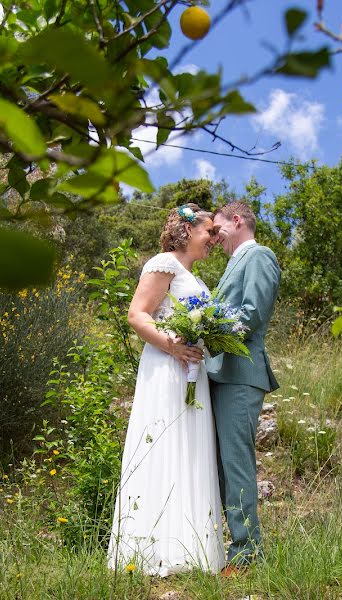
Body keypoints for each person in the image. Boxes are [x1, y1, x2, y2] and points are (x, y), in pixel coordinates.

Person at [106, 204, 226, 577]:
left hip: (191, 370)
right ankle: (150, 547)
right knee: (164, 441)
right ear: (188, 231)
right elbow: (137, 314)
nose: (215, 239)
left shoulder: (195, 278)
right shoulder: (164, 263)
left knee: (188, 448)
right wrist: (171, 345)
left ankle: (188, 548)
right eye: (210, 231)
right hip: (166, 367)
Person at [206, 200, 280, 573]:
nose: (214, 237)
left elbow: (252, 313)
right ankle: (231, 546)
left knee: (236, 465)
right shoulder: (233, 264)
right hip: (221, 374)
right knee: (220, 467)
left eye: (217, 228)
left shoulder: (259, 256)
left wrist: (205, 333)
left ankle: (248, 554)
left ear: (236, 221)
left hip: (240, 374)